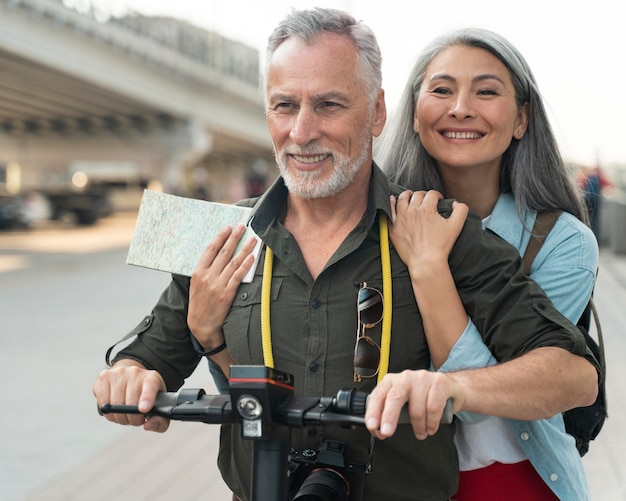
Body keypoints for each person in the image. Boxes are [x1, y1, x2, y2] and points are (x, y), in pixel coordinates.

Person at [93, 10, 598, 501]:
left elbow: (573, 374)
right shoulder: (218, 231)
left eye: (329, 105)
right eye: (284, 105)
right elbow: (145, 355)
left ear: (377, 112)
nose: (302, 132)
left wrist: (454, 389)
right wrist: (131, 373)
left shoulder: (442, 230)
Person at [374, 27, 599, 500]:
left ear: (521, 119)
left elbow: (485, 400)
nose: (460, 107)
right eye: (441, 89)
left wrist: (430, 265)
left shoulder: (562, 243)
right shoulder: (374, 224)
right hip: (400, 482)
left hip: (518, 483)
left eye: (486, 91)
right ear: (414, 113)